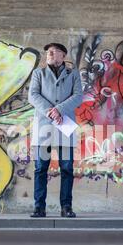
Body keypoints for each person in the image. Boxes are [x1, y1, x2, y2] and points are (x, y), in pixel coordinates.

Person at [28, 43, 83, 218]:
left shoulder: (73, 74)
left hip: (65, 125)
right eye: (48, 52)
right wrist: (51, 112)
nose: (49, 54)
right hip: (44, 125)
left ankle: (66, 207)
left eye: (54, 51)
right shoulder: (39, 73)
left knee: (66, 168)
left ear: (63, 55)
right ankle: (39, 207)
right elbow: (33, 96)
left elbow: (78, 96)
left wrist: (59, 109)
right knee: (40, 168)